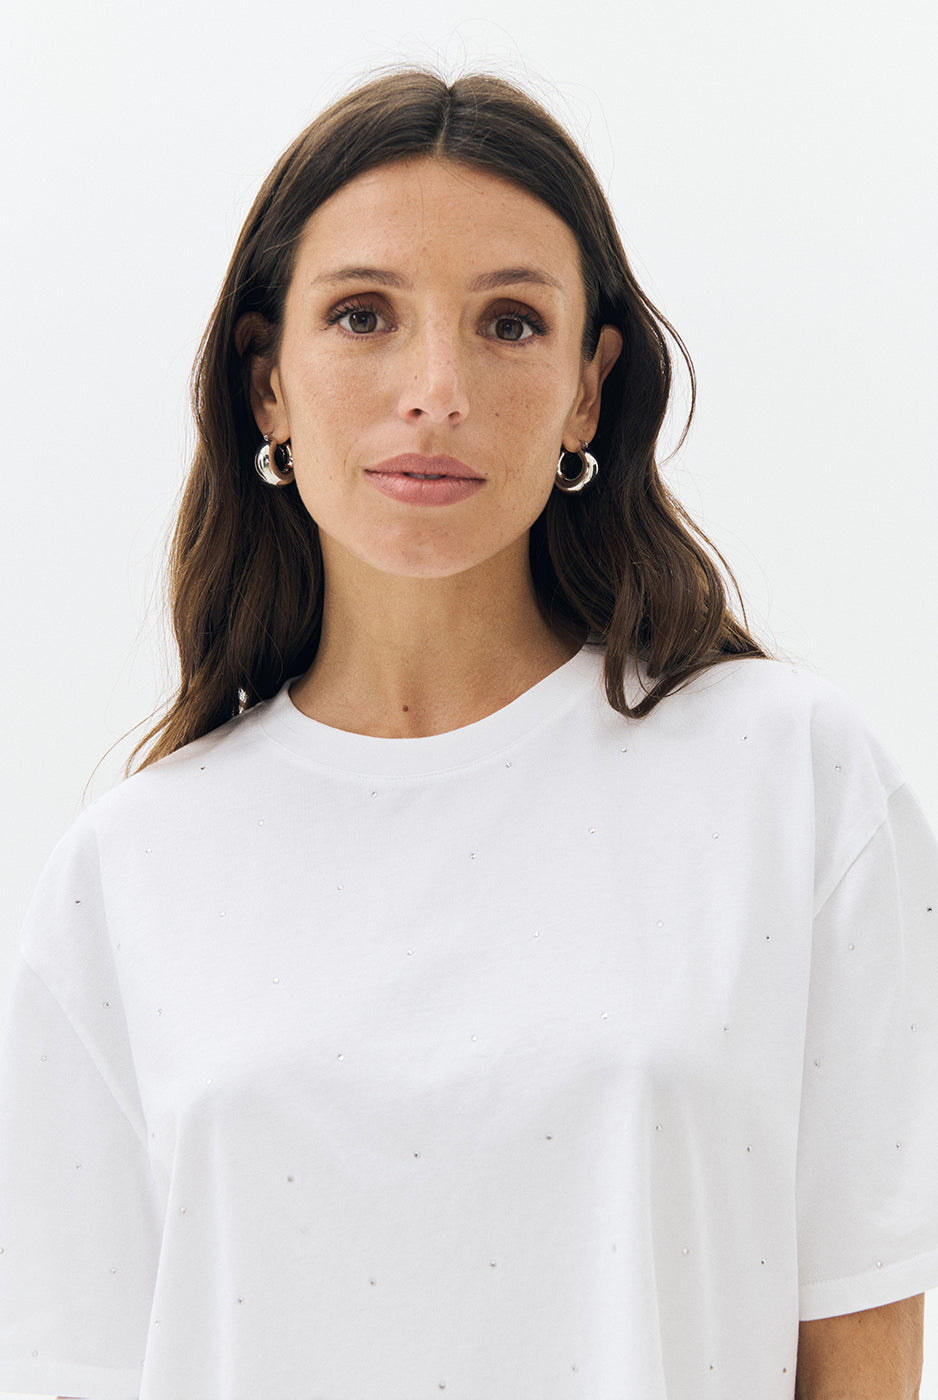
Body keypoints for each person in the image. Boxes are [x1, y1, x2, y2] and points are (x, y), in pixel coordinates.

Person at [0, 68, 936, 1400]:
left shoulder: (789, 778)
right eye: (362, 316)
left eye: (508, 322)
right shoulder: (128, 870)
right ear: (267, 382)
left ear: (587, 389)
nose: (434, 388)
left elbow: (860, 1340)